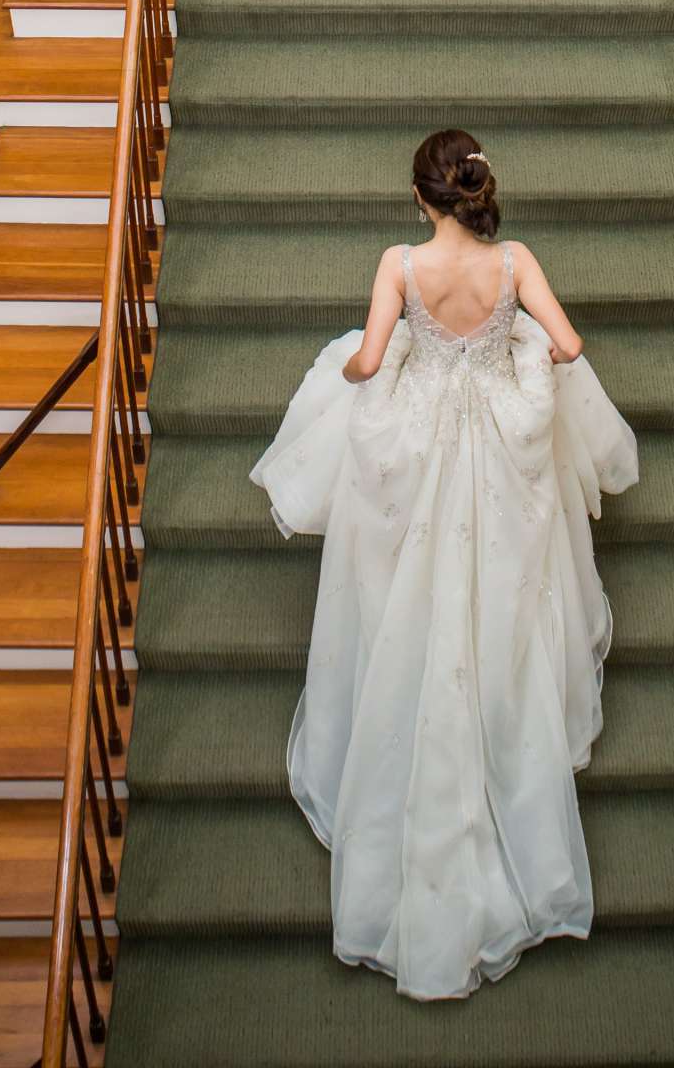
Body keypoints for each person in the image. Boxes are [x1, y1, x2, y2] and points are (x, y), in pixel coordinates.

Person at [250, 128, 639, 1003]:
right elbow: (570, 348)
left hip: (424, 435)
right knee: (504, 584)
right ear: (476, 191)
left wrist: (350, 367)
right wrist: (523, 356)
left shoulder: (398, 264)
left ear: (422, 200)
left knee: (408, 576)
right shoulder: (514, 264)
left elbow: (370, 359)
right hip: (499, 436)